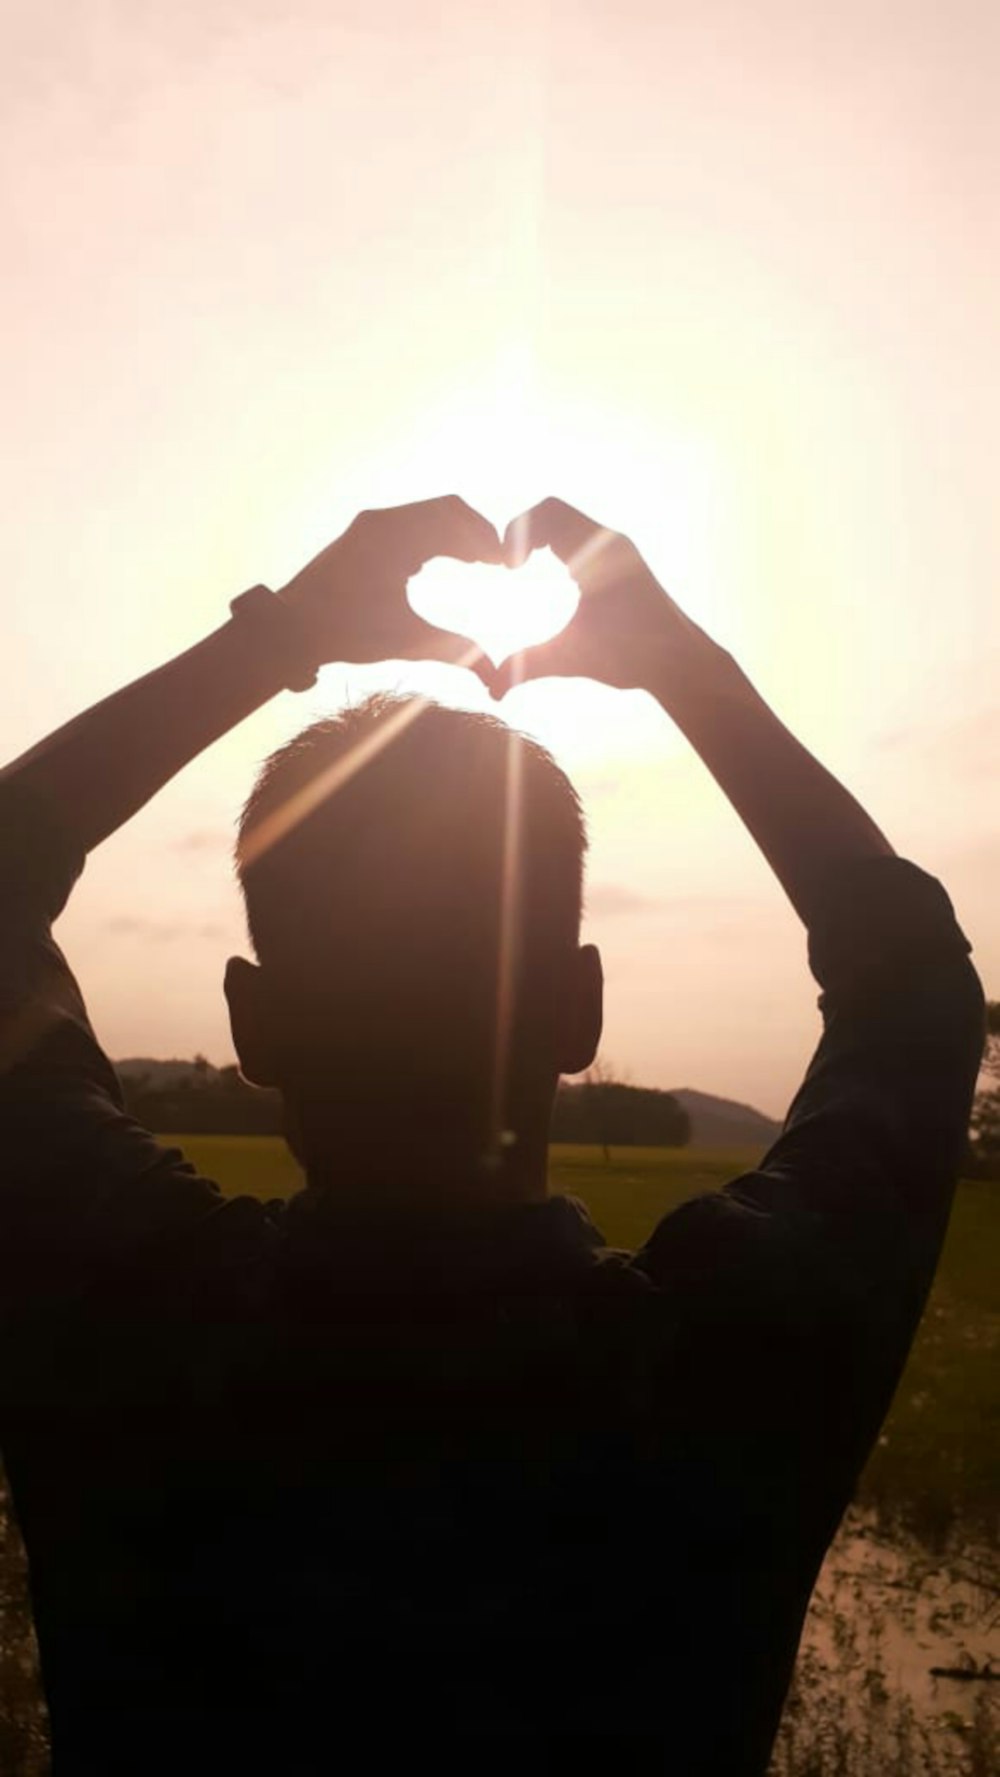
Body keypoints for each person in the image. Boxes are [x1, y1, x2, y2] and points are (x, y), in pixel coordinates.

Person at [0, 495, 984, 1775]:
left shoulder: (124, 1303)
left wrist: (280, 637)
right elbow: (913, 984)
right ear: (578, 1012)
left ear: (251, 1023)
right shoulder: (730, 1354)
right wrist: (685, 667)